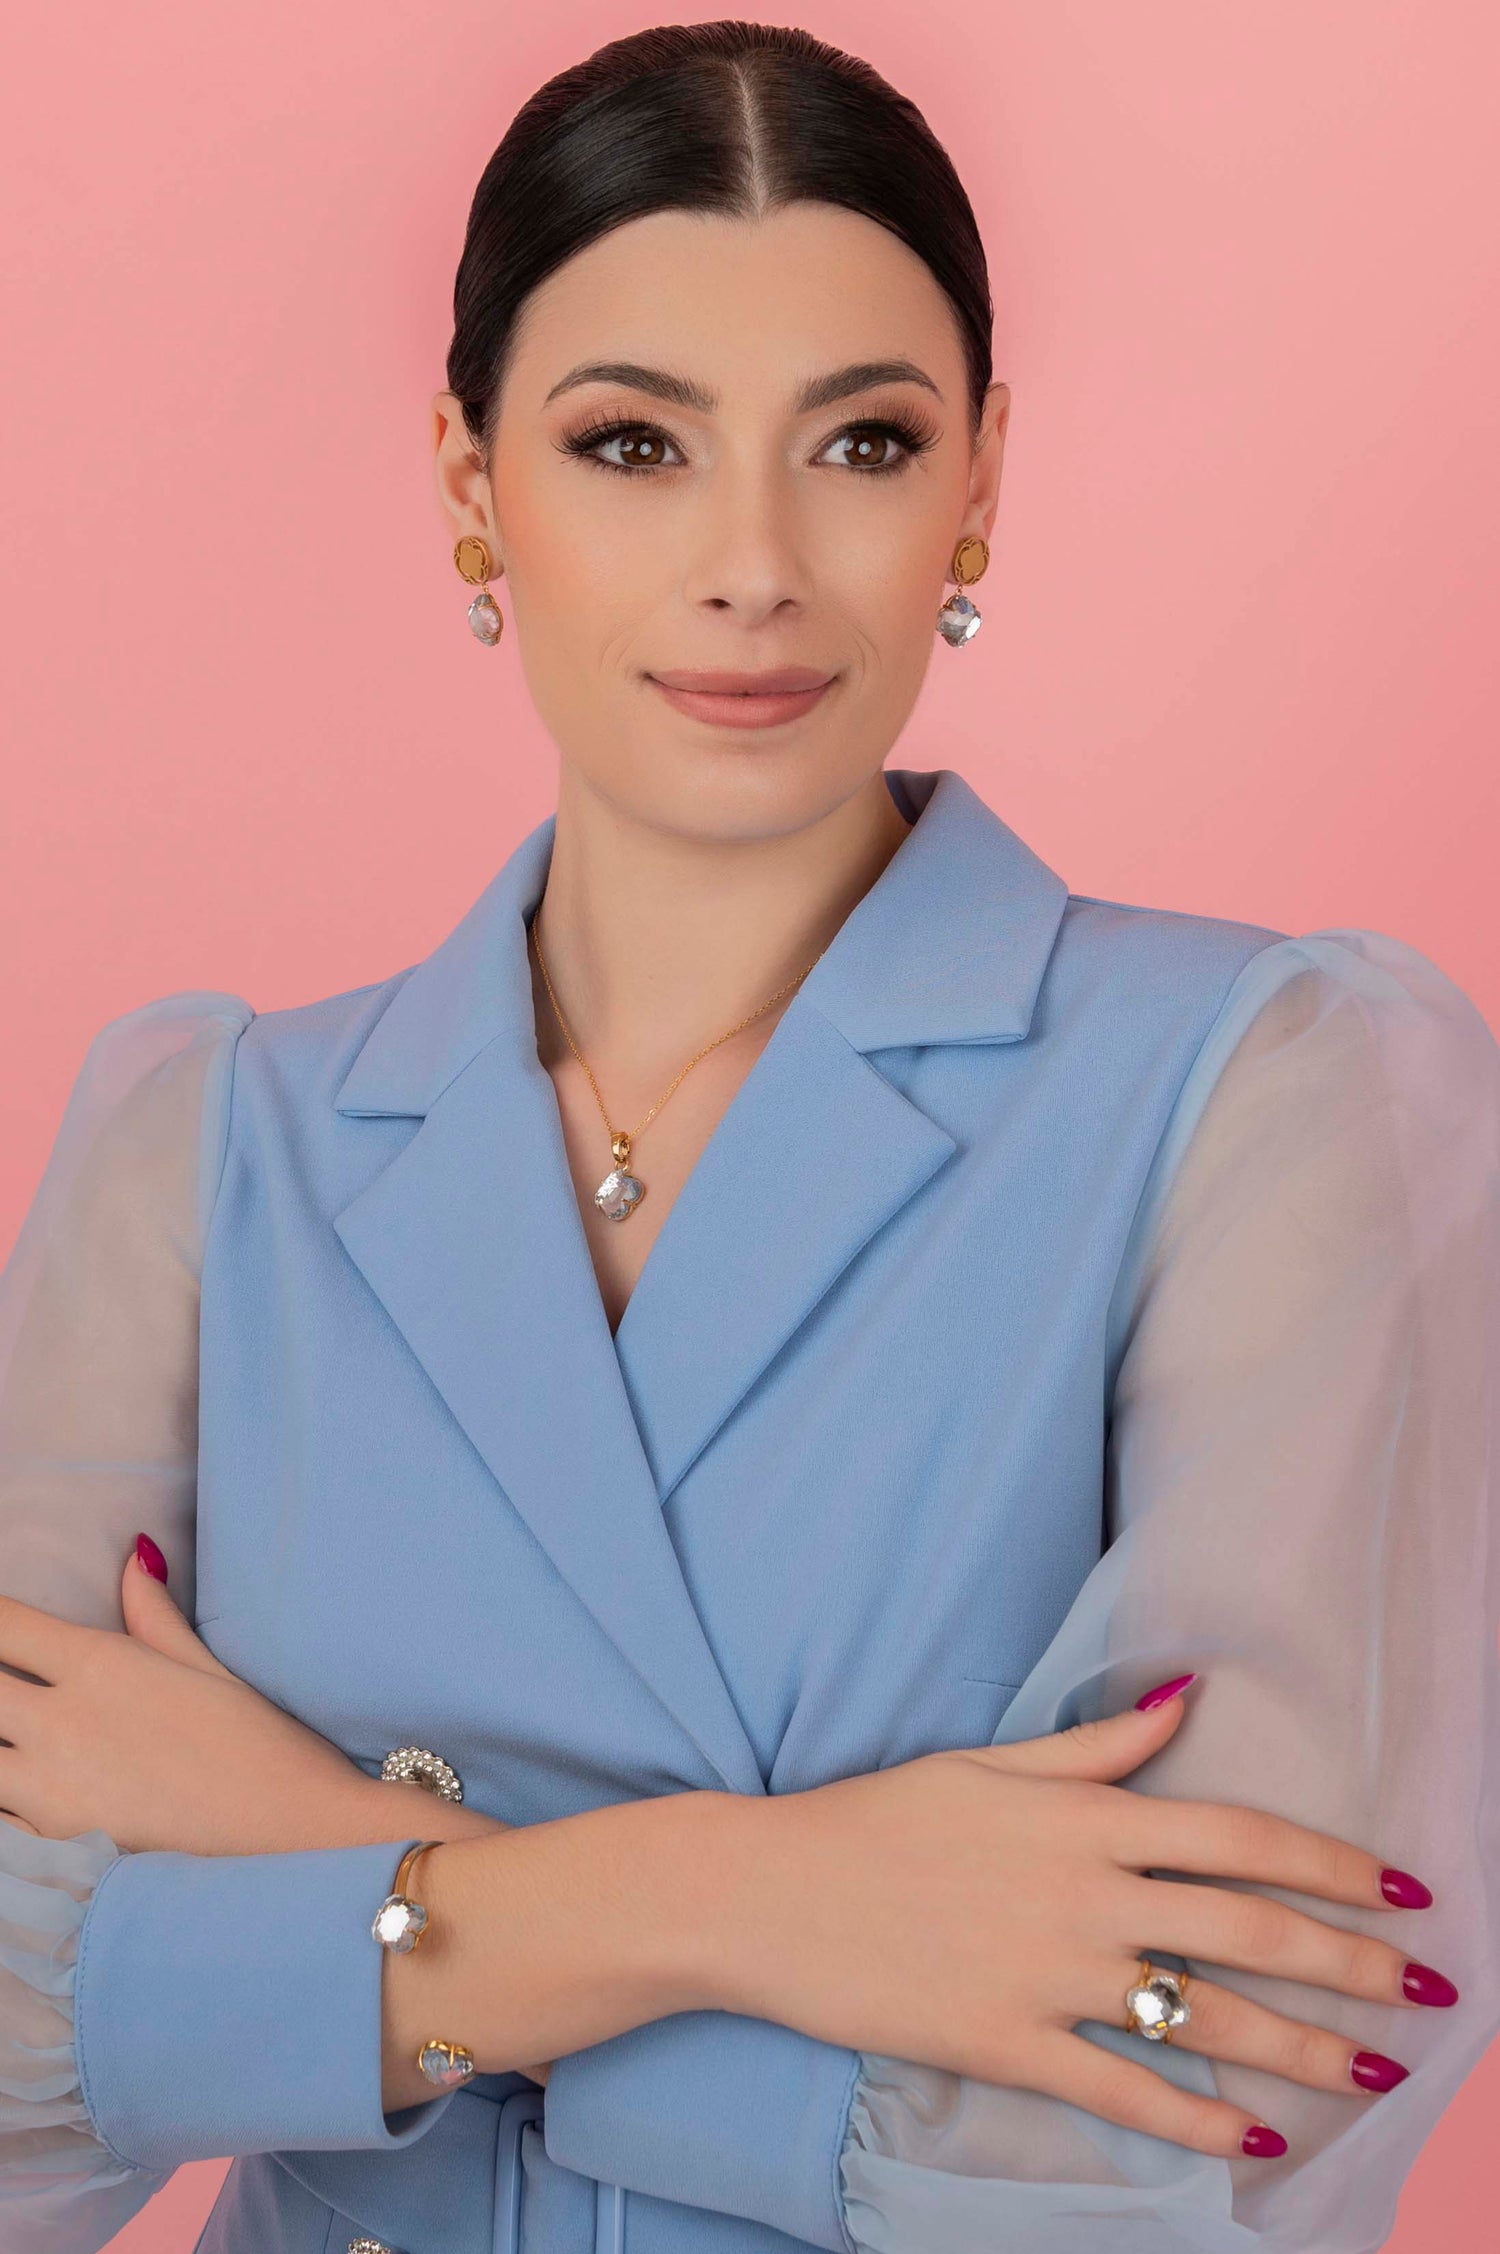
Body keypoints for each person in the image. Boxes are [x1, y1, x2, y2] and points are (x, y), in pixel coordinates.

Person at [1, 20, 1496, 2254]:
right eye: (633, 443)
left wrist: (323, 1871)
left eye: (862, 442)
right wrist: (772, 1899)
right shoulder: (208, 1152)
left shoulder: (1260, 1094)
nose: (755, 564)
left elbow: (1208, 2111)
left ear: (980, 477)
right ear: (470, 479)